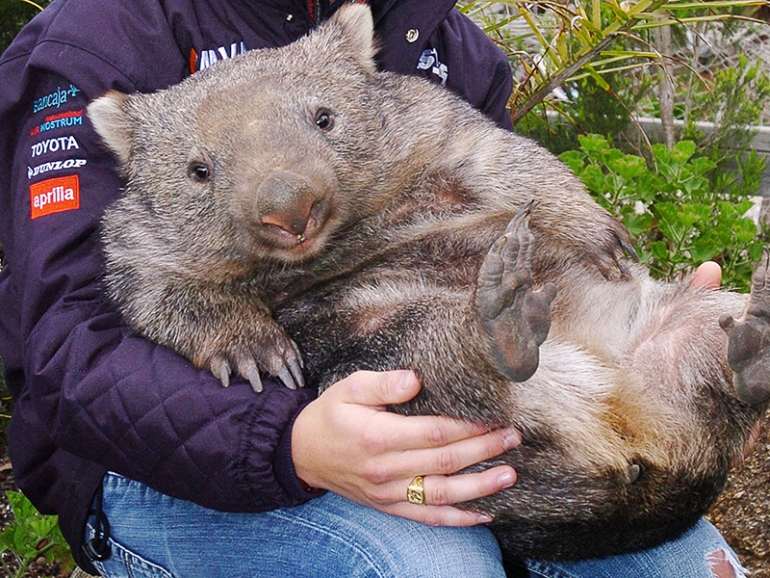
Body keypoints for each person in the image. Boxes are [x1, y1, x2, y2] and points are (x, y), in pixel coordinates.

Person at [0, 0, 747, 576]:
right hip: (168, 453)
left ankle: (708, 357)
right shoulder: (94, 44)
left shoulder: (429, 34)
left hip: (454, 409)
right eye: (200, 172)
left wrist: (594, 268)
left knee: (678, 560)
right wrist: (288, 444)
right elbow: (72, 347)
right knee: (430, 565)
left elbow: (491, 167)